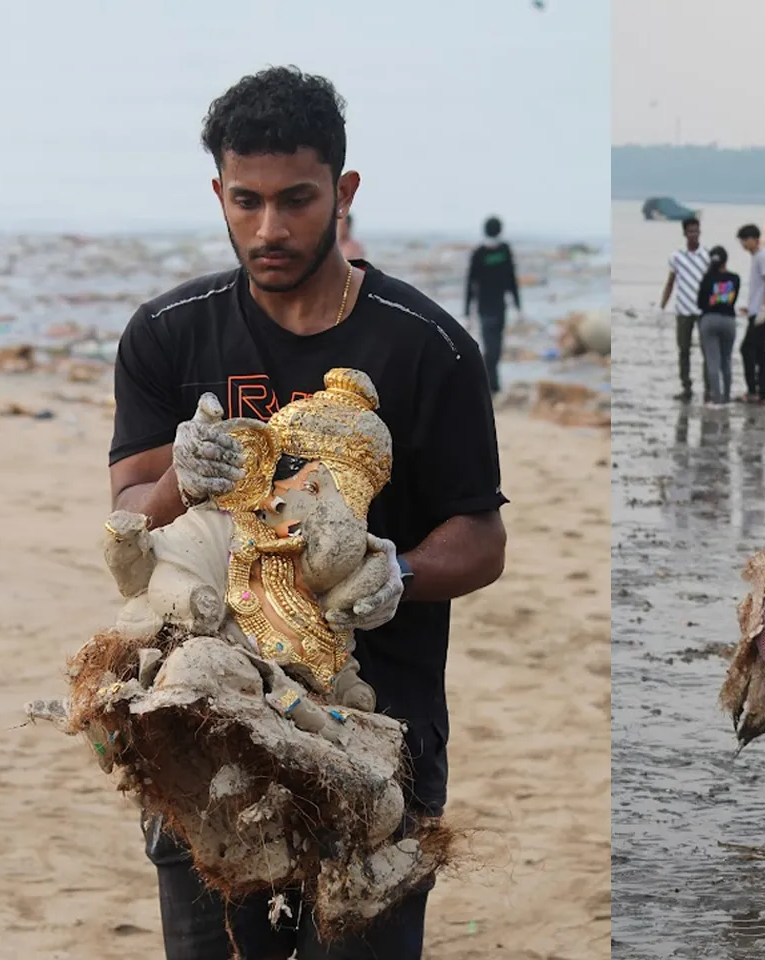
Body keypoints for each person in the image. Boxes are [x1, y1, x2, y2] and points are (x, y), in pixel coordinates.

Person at [107, 66, 508, 960]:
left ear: (344, 191)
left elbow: (482, 540)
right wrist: (181, 477)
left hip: (377, 728)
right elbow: (129, 510)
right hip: (204, 710)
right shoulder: (170, 334)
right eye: (245, 201)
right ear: (218, 191)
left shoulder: (427, 346)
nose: (270, 227)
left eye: (296, 200)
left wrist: (396, 570)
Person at [464, 215, 522, 394]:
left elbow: (511, 278)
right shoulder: (479, 254)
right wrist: (467, 311)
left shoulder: (505, 250)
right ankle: (491, 385)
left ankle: (491, 383)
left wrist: (518, 305)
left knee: (497, 347)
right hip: (485, 307)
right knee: (491, 347)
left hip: (499, 306)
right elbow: (471, 283)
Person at [659, 217, 712, 402]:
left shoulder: (707, 255)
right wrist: (662, 306)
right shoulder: (677, 257)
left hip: (703, 310)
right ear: (684, 233)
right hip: (683, 310)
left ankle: (709, 388)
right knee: (683, 350)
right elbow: (670, 282)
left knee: (707, 350)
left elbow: (714, 282)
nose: (694, 234)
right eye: (690, 231)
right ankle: (686, 386)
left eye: (696, 231)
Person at [736, 224, 765, 403]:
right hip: (756, 310)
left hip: (762, 312)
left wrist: (764, 308)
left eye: (746, 239)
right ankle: (761, 392)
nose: (743, 244)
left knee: (748, 349)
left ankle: (755, 390)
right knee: (759, 351)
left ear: (755, 239)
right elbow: (759, 287)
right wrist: (750, 307)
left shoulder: (763, 258)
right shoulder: (756, 259)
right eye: (742, 240)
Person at [695, 245, 740, 406]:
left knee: (712, 361)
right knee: (726, 360)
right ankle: (727, 397)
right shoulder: (735, 278)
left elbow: (699, 303)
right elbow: (733, 300)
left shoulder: (707, 278)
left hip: (709, 319)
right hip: (728, 320)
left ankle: (716, 399)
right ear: (725, 260)